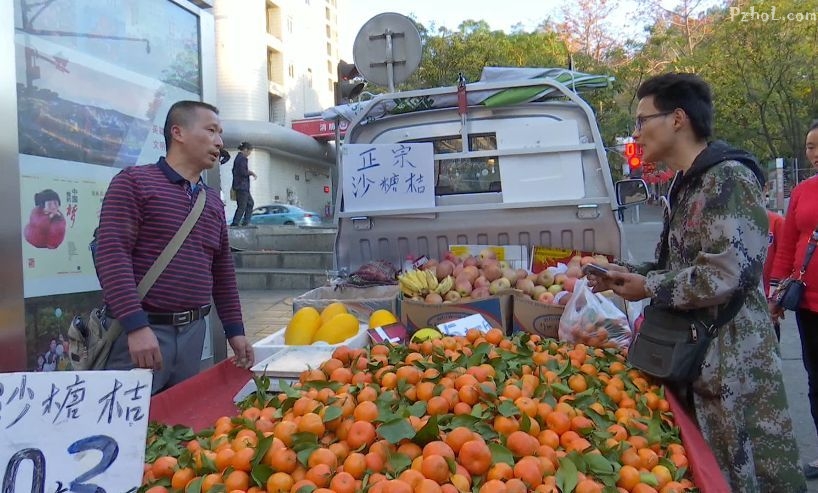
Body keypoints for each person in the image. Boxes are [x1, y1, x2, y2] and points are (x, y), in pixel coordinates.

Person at [587, 73, 805, 491]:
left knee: (754, 470)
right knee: (717, 469)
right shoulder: (687, 182)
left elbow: (725, 275)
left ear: (677, 119)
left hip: (736, 359)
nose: (635, 133)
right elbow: (682, 264)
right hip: (702, 354)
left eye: (641, 120)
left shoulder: (728, 179)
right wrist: (629, 274)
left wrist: (649, 287)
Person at [95, 100, 254, 395]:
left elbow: (222, 272)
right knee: (131, 429)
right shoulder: (134, 183)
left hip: (193, 333)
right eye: (211, 130)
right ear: (178, 132)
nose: (219, 141)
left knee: (177, 429)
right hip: (143, 334)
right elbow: (112, 255)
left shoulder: (212, 201)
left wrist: (235, 331)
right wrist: (135, 326)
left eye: (220, 133)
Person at [770, 120, 818, 479]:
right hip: (808, 303)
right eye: (810, 147)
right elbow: (786, 245)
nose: (813, 154)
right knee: (815, 379)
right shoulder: (802, 191)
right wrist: (776, 291)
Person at [764, 207, 784, 340]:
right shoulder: (733, 219)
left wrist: (776, 299)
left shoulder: (776, 221)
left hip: (767, 300)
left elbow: (784, 262)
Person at [230, 141, 256, 227]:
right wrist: (251, 173)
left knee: (249, 203)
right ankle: (236, 223)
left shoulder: (238, 158)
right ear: (245, 150)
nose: (249, 154)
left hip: (240, 186)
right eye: (249, 151)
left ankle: (245, 222)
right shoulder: (242, 159)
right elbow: (242, 172)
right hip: (242, 186)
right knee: (242, 205)